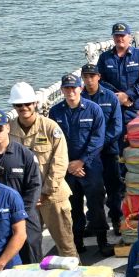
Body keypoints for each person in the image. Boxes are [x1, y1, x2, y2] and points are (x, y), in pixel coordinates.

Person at [9, 81, 74, 259]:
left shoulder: (50, 128)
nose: (24, 108)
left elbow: (60, 162)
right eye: (19, 105)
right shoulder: (8, 130)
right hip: (26, 201)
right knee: (29, 247)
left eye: (27, 103)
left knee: (65, 246)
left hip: (53, 198)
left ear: (35, 103)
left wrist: (45, 192)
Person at [49, 73, 108, 258]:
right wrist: (68, 165)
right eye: (66, 88)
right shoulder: (55, 112)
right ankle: (77, 243)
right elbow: (54, 141)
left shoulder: (94, 110)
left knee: (96, 204)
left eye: (73, 88)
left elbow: (98, 139)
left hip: (90, 166)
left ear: (80, 89)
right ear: (62, 91)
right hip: (67, 168)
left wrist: (82, 161)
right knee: (72, 207)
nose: (70, 91)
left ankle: (102, 241)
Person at [0, 109, 44, 261]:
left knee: (31, 259)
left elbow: (34, 186)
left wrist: (20, 214)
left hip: (24, 216)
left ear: (8, 127)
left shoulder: (25, 155)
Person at [80, 64, 127, 241]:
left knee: (114, 188)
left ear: (99, 76)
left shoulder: (110, 97)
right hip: (88, 156)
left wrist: (98, 144)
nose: (89, 79)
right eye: (86, 76)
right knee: (92, 190)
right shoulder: (79, 97)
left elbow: (116, 127)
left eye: (92, 75)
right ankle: (95, 222)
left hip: (108, 152)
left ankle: (116, 219)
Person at [95, 21, 139, 112]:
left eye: (122, 35)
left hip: (137, 105)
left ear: (129, 37)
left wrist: (128, 95)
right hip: (114, 105)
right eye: (116, 35)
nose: (119, 38)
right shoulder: (104, 58)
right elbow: (100, 80)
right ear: (113, 37)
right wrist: (117, 96)